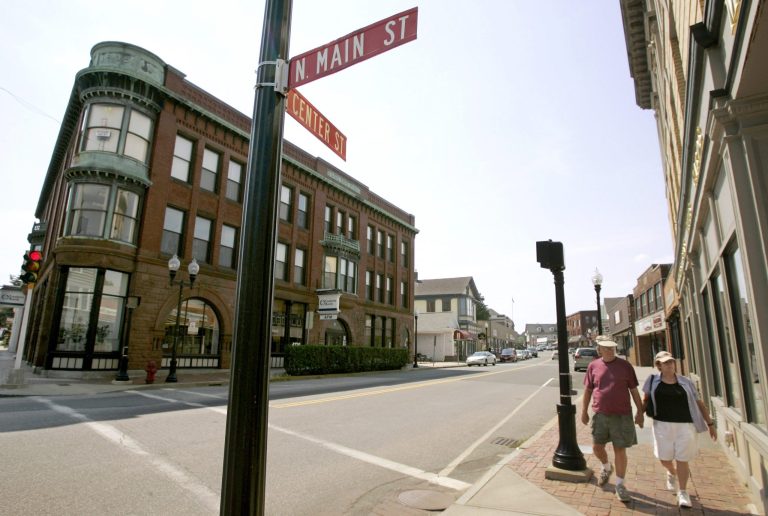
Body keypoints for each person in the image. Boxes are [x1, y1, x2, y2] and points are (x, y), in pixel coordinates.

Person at [642, 351, 717, 508]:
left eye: (671, 361)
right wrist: (638, 415)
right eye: (665, 362)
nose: (669, 364)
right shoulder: (652, 381)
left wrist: (710, 424)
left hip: (685, 425)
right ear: (659, 366)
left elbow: (699, 402)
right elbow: (646, 400)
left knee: (683, 458)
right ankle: (671, 471)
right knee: (664, 458)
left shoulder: (686, 382)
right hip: (662, 424)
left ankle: (683, 492)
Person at [581, 336, 644, 502]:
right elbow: (588, 391)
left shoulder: (625, 366)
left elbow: (634, 391)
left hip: (622, 415)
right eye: (606, 348)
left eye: (612, 348)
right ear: (599, 349)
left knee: (620, 449)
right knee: (597, 447)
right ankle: (606, 467)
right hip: (600, 414)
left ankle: (620, 485)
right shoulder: (593, 366)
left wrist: (640, 412)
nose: (610, 350)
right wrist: (584, 412)